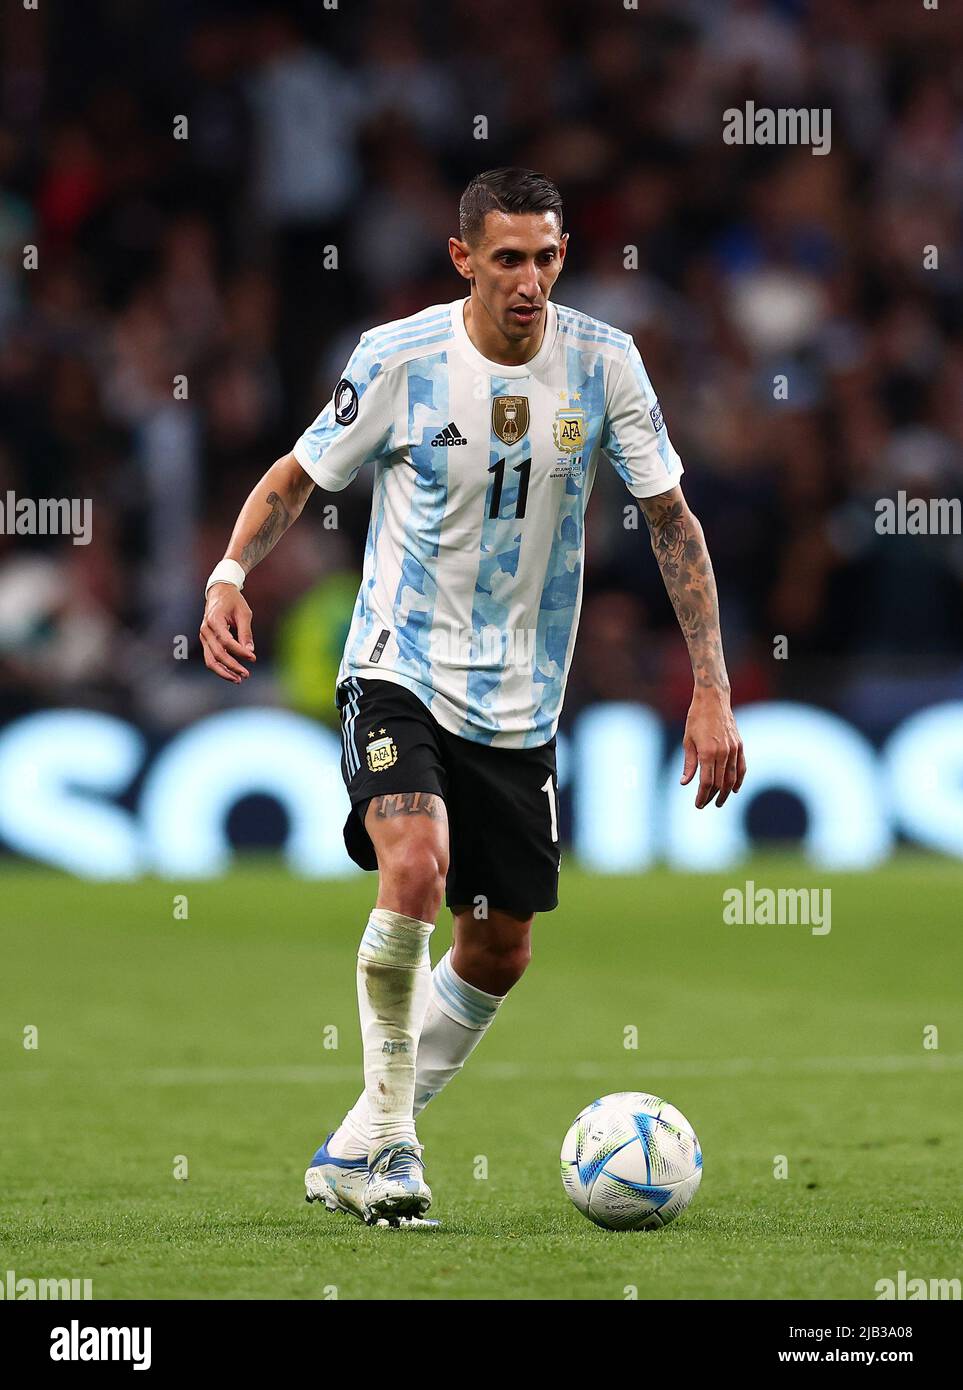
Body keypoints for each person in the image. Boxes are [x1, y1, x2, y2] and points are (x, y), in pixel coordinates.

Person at [200, 168, 746, 1227]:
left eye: (546, 256)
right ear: (463, 260)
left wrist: (712, 687)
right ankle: (397, 1150)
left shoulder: (605, 362)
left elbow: (674, 523)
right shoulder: (399, 359)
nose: (530, 280)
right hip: (397, 666)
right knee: (415, 860)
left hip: (522, 699)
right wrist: (229, 572)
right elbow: (299, 475)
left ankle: (355, 1144)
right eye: (507, 258)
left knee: (499, 947)